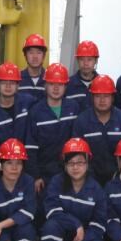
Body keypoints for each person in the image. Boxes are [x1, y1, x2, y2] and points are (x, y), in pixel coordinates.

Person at [40, 137, 107, 241]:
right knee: (49, 228)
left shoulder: (96, 189)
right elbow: (52, 211)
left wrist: (83, 239)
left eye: (80, 162)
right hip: (62, 236)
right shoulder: (56, 182)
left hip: (84, 238)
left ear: (87, 163)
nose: (75, 167)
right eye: (71, 163)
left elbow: (99, 223)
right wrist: (76, 224)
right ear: (64, 164)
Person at [24, 63, 79, 193]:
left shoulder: (74, 108)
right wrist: (36, 176)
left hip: (69, 171)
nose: (56, 88)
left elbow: (78, 142)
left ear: (65, 87)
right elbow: (31, 148)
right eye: (51, 84)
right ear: (45, 86)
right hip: (44, 175)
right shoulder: (35, 112)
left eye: (60, 84)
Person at [73, 74, 121, 184]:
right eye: (98, 96)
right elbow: (77, 156)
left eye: (106, 96)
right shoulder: (81, 122)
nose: (102, 100)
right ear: (92, 98)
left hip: (120, 180)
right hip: (88, 181)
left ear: (113, 98)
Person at [66, 40, 100, 106]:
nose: (85, 63)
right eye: (82, 59)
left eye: (89, 59)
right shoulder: (68, 85)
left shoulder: (102, 84)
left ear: (96, 61)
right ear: (77, 60)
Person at [19, 33, 49, 102]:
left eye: (39, 52)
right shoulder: (17, 79)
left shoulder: (50, 79)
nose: (35, 56)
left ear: (44, 56)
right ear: (25, 55)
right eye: (31, 53)